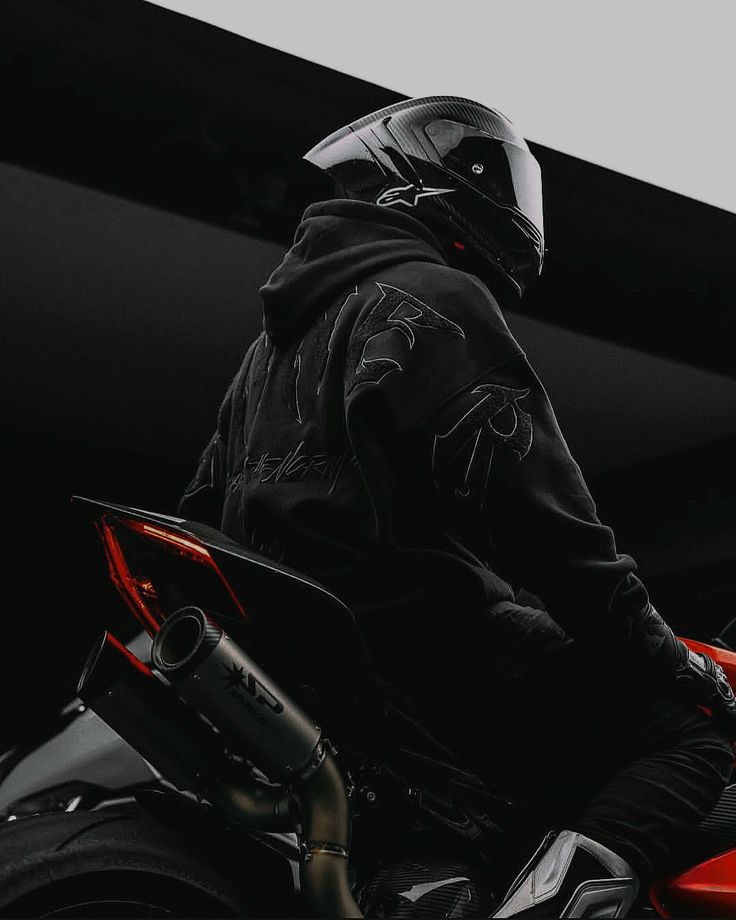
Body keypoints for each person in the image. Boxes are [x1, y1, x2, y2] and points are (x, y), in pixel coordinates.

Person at [178, 96, 735, 917]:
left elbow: (202, 508)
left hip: (330, 674)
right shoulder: (432, 299)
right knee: (691, 738)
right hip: (433, 650)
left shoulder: (268, 350)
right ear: (430, 182)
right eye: (492, 181)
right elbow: (554, 534)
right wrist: (676, 662)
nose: (509, 204)